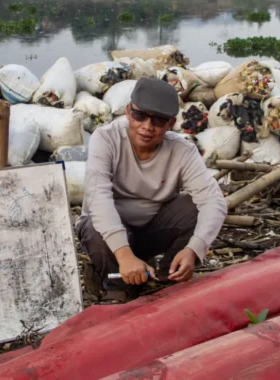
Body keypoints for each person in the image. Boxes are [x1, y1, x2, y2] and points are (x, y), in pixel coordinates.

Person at [76, 77, 227, 301]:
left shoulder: (182, 150)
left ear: (171, 123)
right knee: (92, 225)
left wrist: (195, 249)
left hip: (152, 230)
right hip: (112, 236)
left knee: (193, 207)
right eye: (140, 116)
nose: (147, 126)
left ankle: (168, 274)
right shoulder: (106, 139)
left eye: (158, 120)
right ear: (128, 112)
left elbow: (214, 201)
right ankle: (118, 285)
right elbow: (98, 197)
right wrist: (124, 254)